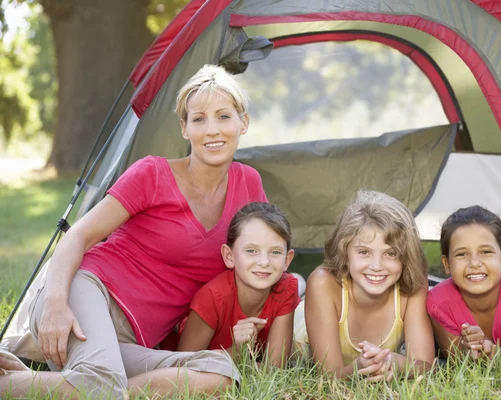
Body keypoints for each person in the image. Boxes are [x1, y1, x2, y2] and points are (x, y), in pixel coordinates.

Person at [0, 64, 268, 399]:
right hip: (87, 293)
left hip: (129, 341)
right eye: (199, 119)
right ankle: (79, 385)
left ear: (243, 122)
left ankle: (67, 386)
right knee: (100, 381)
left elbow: (265, 257)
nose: (212, 130)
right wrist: (55, 302)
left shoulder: (249, 184)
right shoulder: (151, 173)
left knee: (221, 372)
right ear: (184, 128)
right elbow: (78, 235)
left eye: (223, 116)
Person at [301, 190, 435, 381]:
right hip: (302, 325)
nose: (377, 266)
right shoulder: (323, 283)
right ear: (344, 252)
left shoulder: (413, 284)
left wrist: (394, 361)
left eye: (391, 254)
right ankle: (298, 287)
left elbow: (425, 366)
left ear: (406, 256)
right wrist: (359, 368)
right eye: (364, 252)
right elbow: (328, 375)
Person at [177, 202, 300, 368]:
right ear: (229, 256)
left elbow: (274, 368)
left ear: (287, 260)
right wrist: (238, 350)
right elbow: (183, 367)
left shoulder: (286, 288)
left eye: (275, 252)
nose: (264, 262)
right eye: (251, 250)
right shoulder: (213, 297)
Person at [426, 205, 501, 360]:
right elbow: (455, 361)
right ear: (447, 264)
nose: (474, 263)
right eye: (461, 254)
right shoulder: (437, 302)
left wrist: (490, 351)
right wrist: (470, 349)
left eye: (486, 252)